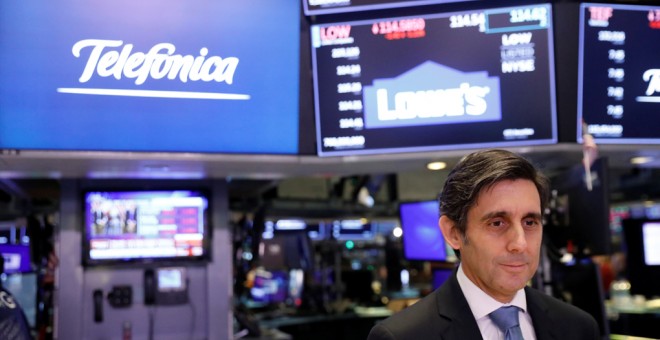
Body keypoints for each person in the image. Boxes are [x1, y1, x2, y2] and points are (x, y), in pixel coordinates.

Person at [368, 149, 599, 340]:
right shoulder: (401, 337)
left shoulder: (577, 328)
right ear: (453, 232)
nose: (519, 243)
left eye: (530, 222)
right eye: (497, 223)